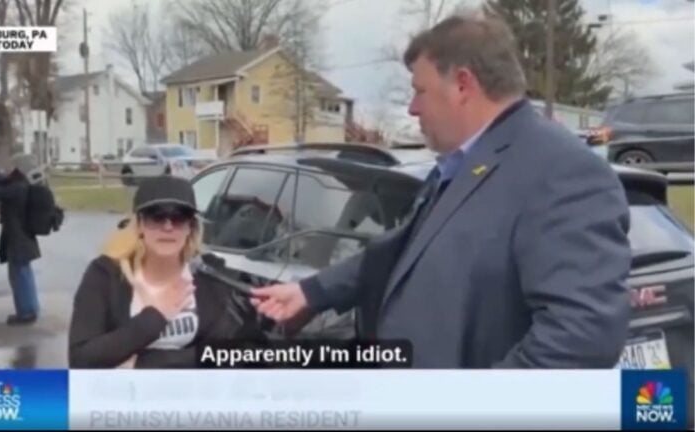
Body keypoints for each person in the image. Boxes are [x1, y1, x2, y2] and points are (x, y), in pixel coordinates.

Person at [250, 11, 633, 368]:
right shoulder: (460, 165)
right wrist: (313, 292)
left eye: (420, 91)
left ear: (463, 84)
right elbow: (402, 252)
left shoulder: (561, 172)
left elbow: (582, 337)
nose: (413, 108)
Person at [68, 175, 265, 369]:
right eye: (156, 216)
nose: (168, 227)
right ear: (140, 225)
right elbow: (81, 359)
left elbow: (246, 351)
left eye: (179, 217)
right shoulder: (106, 275)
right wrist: (155, 317)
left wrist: (148, 364)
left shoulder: (210, 275)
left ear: (190, 228)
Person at [0, 154, 43, 325]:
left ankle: (27, 312)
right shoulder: (20, 184)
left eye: (14, 167)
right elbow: (0, 182)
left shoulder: (18, 187)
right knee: (22, 273)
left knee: (19, 275)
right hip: (22, 237)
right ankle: (30, 309)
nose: (10, 170)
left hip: (18, 238)